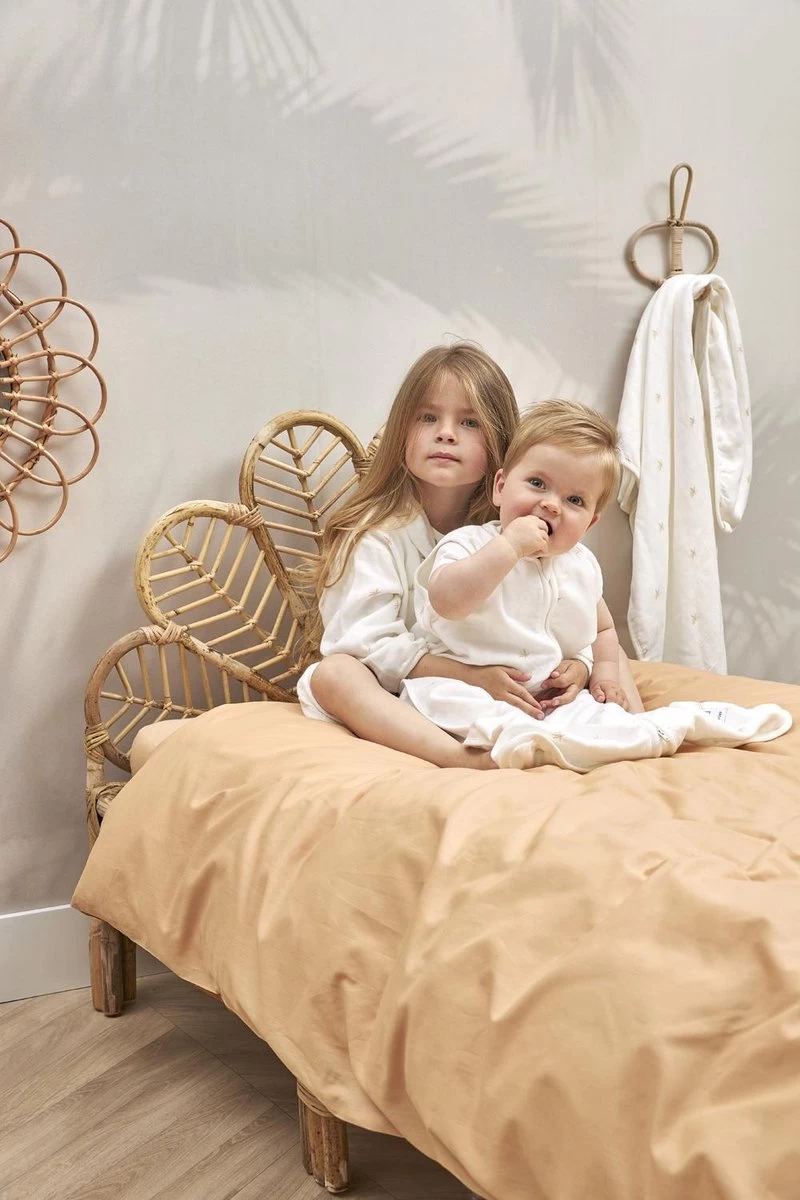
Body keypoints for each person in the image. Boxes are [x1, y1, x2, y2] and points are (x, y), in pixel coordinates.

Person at [296, 346, 644, 767]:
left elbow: (572, 620)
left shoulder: (514, 530)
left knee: (613, 654)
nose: (446, 433)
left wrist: (582, 667)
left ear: (499, 443)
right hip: (410, 692)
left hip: (509, 689)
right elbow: (366, 646)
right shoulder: (377, 536)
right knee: (335, 674)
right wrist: (470, 676)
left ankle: (637, 735)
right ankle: (456, 757)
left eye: (469, 422)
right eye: (427, 417)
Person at [401, 399, 790, 771]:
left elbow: (603, 629)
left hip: (544, 699)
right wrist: (508, 547)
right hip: (466, 687)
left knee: (598, 717)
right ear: (500, 487)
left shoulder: (580, 566)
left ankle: (675, 725)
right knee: (469, 713)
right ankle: (540, 743)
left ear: (589, 523)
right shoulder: (470, 545)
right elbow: (447, 601)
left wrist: (601, 674)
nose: (551, 505)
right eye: (537, 483)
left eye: (574, 500)